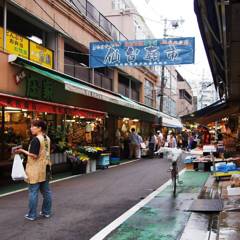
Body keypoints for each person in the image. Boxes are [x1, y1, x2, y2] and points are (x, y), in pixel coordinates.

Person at [16, 120, 52, 221]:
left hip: (35, 169)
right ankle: (46, 212)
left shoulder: (36, 140)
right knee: (46, 192)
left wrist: (22, 150)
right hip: (46, 168)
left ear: (40, 128)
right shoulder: (47, 138)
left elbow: (34, 155)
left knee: (33, 192)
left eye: (33, 126)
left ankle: (32, 215)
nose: (31, 128)